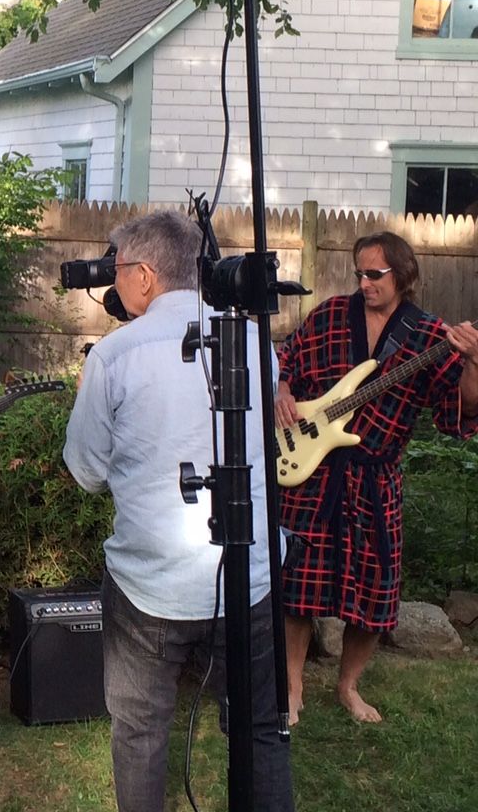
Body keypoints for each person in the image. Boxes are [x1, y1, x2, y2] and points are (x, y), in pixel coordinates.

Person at [63, 209, 293, 812]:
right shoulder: (255, 342)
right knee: (259, 730)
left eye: (117, 270)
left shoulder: (114, 355)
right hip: (250, 573)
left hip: (149, 584)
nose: (112, 283)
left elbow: (85, 471)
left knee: (140, 735)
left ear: (143, 276)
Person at [276, 231, 478, 725]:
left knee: (374, 589)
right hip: (311, 468)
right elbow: (286, 356)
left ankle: (348, 687)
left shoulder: (430, 335)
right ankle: (293, 686)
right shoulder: (328, 315)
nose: (364, 282)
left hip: (376, 478)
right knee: (297, 583)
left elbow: (460, 411)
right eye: (360, 274)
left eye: (374, 274)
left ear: (403, 275)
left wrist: (473, 360)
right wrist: (281, 388)